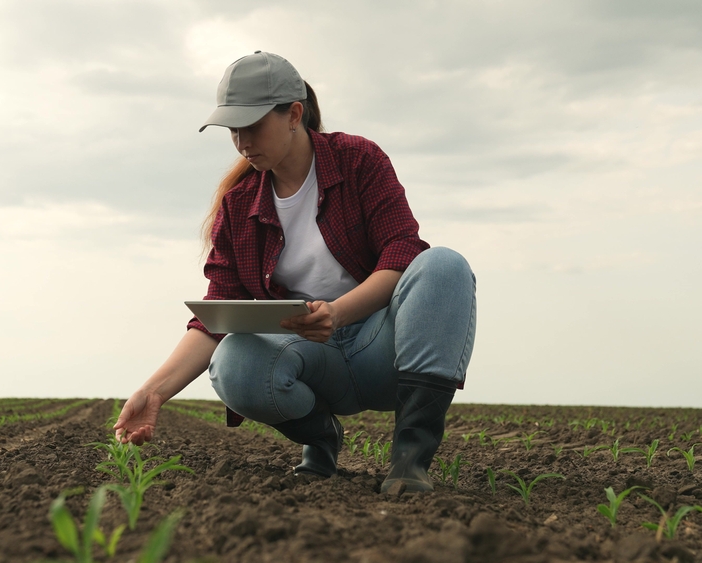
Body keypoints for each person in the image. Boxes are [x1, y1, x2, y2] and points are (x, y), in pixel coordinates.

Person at [114, 51, 476, 494]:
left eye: (253, 125)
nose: (243, 141)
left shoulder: (358, 160)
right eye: (233, 130)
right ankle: (321, 440)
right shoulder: (239, 205)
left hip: (381, 347)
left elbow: (400, 252)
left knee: (443, 265)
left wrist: (337, 313)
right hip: (310, 360)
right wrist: (153, 393)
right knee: (233, 362)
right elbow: (217, 314)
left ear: (294, 114)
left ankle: (409, 462)